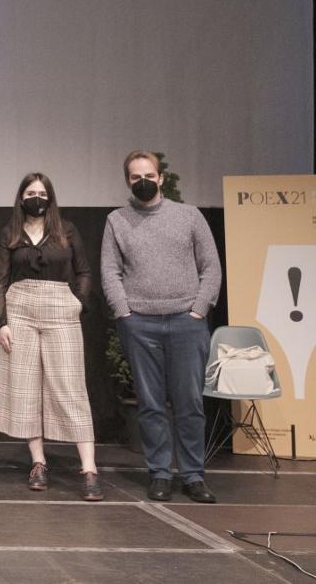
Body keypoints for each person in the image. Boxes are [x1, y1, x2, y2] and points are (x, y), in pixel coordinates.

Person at [102, 150, 222, 504]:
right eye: (136, 177)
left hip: (186, 322)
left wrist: (198, 309)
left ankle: (193, 475)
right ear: (128, 181)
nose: (143, 182)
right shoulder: (117, 220)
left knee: (189, 403)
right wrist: (124, 312)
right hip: (140, 324)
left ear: (161, 178)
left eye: (149, 176)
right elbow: (110, 270)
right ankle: (159, 473)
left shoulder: (189, 215)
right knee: (151, 404)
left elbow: (211, 267)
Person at [0, 173, 100, 501]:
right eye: (30, 192)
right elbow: (1, 280)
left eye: (41, 192)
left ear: (50, 197)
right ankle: (38, 463)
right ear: (21, 197)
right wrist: (1, 322)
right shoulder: (10, 232)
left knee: (70, 387)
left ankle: (89, 469)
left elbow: (84, 271)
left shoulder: (66, 230)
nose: (36, 198)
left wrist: (78, 303)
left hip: (60, 308)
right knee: (25, 388)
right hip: (20, 309)